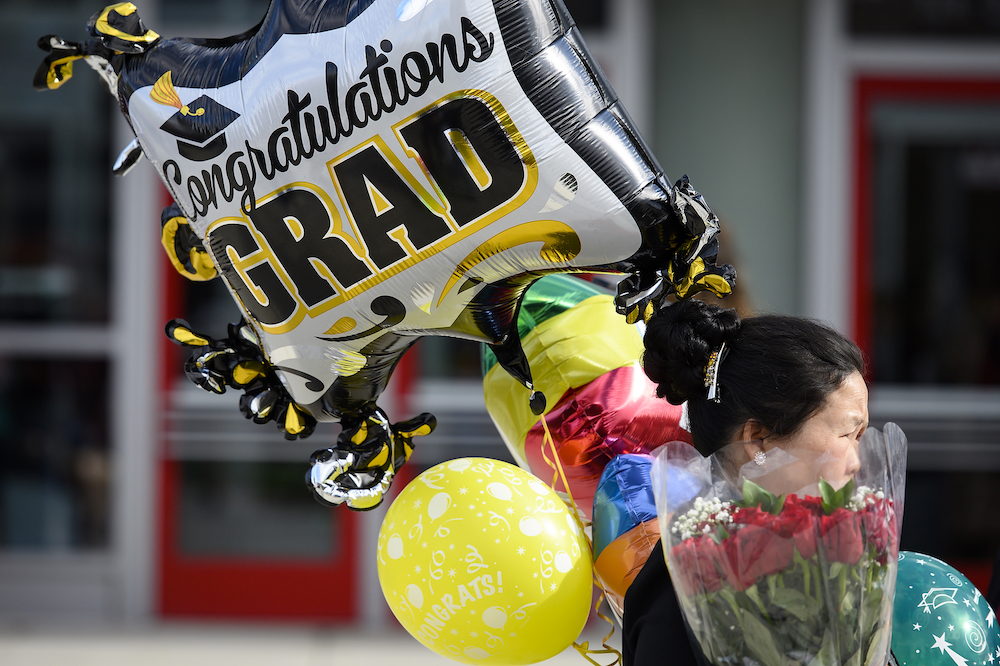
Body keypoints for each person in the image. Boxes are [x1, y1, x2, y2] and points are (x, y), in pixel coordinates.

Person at [624, 297, 870, 666]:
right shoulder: (686, 583)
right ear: (758, 439)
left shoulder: (821, 563)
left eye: (862, 438)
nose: (858, 464)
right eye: (847, 436)